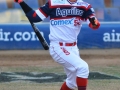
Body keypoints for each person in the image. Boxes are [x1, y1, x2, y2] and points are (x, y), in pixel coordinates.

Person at [14, 0, 100, 90]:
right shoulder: (53, 3)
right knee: (83, 67)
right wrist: (21, 2)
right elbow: (34, 17)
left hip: (74, 48)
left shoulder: (85, 6)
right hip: (58, 47)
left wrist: (95, 23)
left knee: (72, 82)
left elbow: (93, 23)